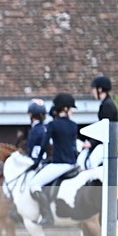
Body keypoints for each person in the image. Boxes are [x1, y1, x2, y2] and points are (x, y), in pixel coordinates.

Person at [29, 93, 79, 225]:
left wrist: (37, 162)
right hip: (73, 164)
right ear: (66, 109)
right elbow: (73, 147)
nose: (72, 111)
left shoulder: (52, 125)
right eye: (71, 109)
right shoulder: (74, 125)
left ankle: (47, 216)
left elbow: (44, 145)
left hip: (58, 165)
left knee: (34, 185)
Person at [25, 99, 48, 165]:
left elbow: (30, 149)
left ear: (31, 114)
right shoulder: (46, 128)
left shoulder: (35, 130)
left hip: (36, 161)